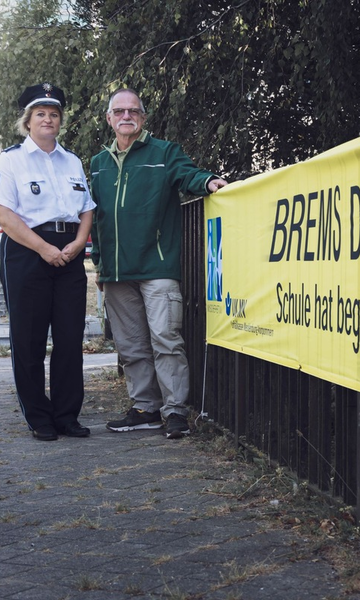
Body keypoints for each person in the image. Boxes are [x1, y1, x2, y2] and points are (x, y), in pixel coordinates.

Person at [90, 88, 227, 439]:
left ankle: (175, 411)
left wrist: (209, 181)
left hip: (158, 267)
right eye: (118, 111)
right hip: (117, 273)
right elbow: (98, 218)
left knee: (166, 339)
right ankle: (144, 408)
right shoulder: (98, 163)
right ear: (109, 119)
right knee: (131, 347)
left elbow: (188, 174)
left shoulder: (164, 152)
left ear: (143, 117)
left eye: (133, 111)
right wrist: (101, 266)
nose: (126, 116)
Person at [0, 83, 95, 441]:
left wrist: (77, 243)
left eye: (54, 114)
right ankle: (39, 417)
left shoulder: (72, 160)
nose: (48, 119)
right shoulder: (9, 159)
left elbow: (86, 209)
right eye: (40, 113)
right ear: (28, 120)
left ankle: (67, 415)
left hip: (69, 250)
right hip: (26, 250)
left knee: (70, 337)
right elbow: (5, 216)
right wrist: (44, 249)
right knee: (29, 339)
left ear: (59, 121)